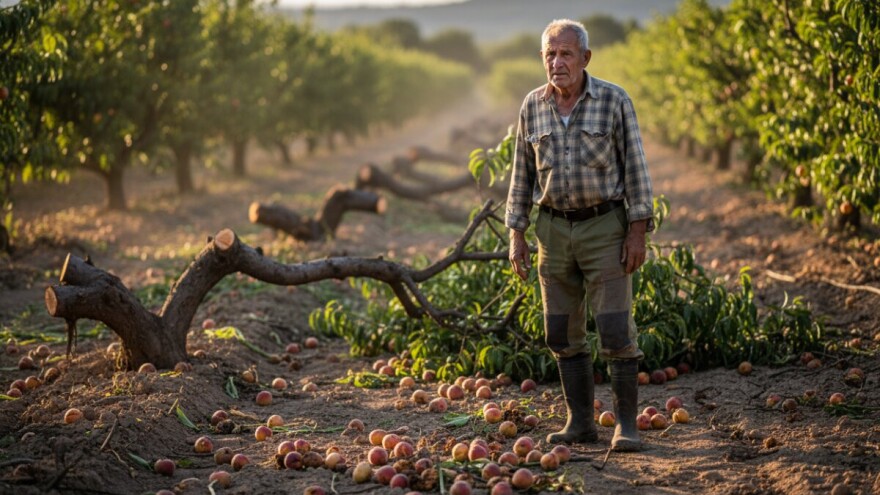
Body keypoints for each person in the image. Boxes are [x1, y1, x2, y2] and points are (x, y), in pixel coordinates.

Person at [506, 19, 654, 452]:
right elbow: (521, 175)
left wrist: (637, 232)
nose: (557, 62)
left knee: (614, 329)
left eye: (566, 54)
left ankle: (626, 425)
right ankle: (580, 423)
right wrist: (516, 234)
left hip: (604, 225)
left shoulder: (613, 101)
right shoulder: (532, 106)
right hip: (552, 230)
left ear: (585, 58)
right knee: (560, 331)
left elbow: (637, 171)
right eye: (550, 54)